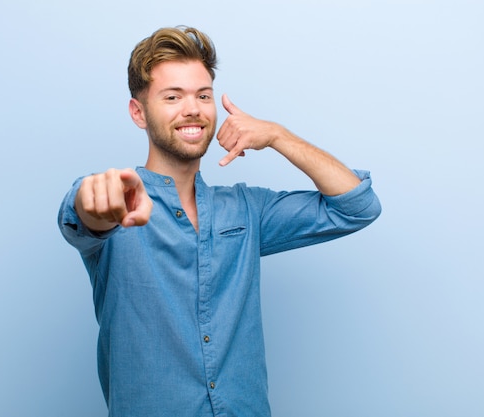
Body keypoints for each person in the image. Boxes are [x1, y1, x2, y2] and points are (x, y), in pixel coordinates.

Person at [58, 26, 381, 417]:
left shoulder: (247, 209)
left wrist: (278, 135)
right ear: (139, 113)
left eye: (203, 95)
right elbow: (83, 214)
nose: (192, 108)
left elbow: (357, 206)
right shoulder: (120, 201)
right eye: (172, 96)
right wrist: (96, 206)